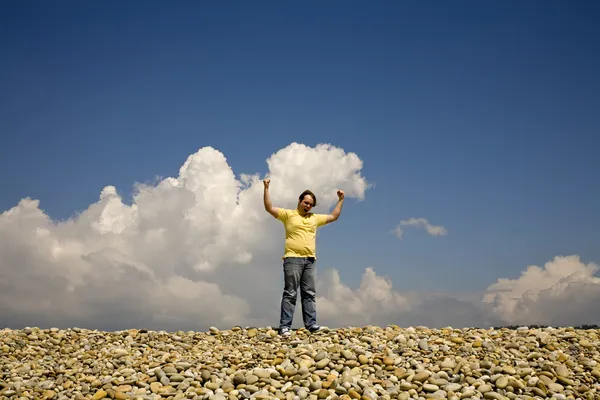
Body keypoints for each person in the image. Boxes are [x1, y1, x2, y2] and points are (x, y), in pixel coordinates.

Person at [263, 178, 345, 336]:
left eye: (311, 204)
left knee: (309, 293)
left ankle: (311, 324)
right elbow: (269, 208)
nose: (308, 206)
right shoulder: (288, 215)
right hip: (292, 259)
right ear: (299, 201)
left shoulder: (314, 218)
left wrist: (341, 200)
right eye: (306, 202)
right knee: (290, 292)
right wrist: (266, 188)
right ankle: (285, 326)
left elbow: (334, 216)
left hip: (310, 260)